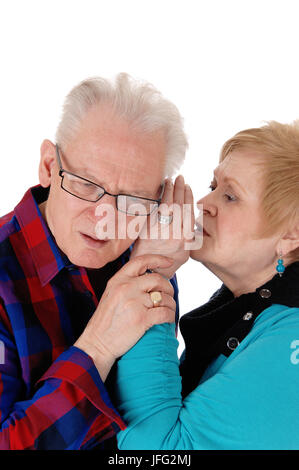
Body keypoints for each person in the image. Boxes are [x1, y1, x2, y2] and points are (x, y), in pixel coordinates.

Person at [0, 73, 190, 450]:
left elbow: (153, 423)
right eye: (86, 184)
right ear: (49, 165)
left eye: (133, 199)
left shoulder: (144, 257)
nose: (106, 217)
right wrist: (98, 347)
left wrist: (154, 268)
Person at [115, 120, 299, 450]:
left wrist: (150, 275)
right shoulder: (252, 308)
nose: (203, 203)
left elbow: (162, 454)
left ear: (291, 235)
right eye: (212, 186)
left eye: (230, 196)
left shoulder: (291, 338)